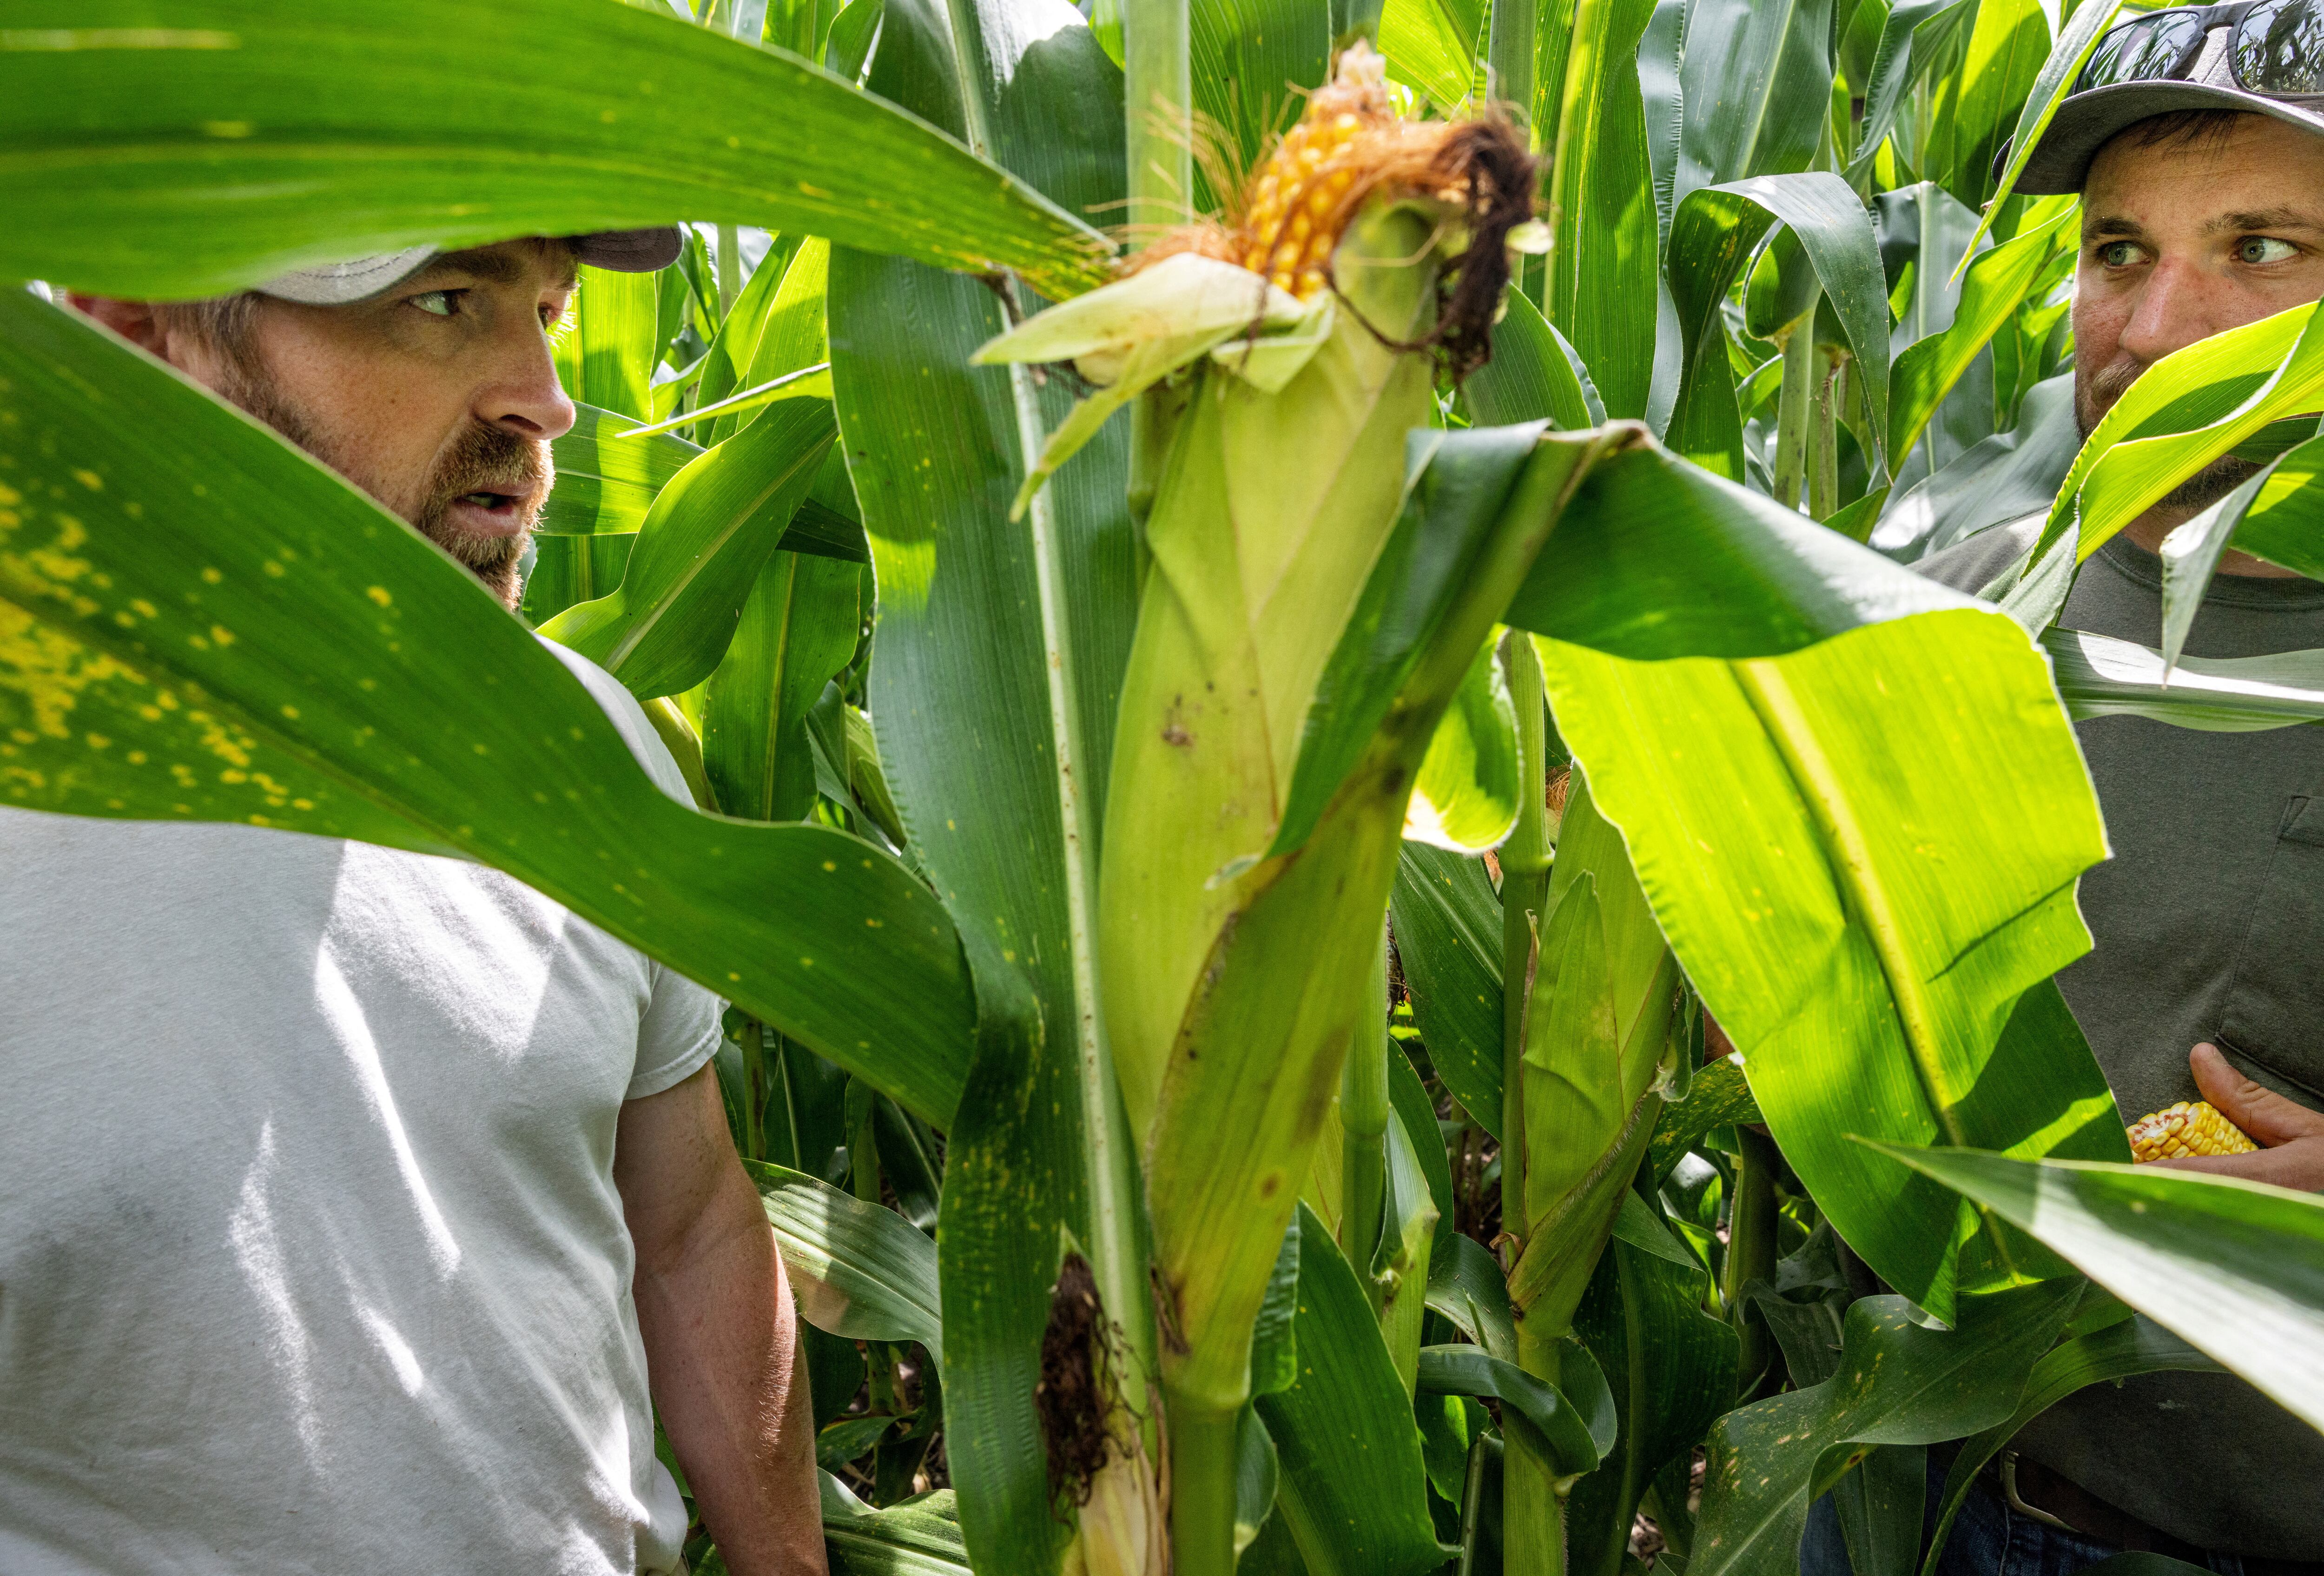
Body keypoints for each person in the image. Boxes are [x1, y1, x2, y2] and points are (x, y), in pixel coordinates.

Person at [0, 232, 826, 1574]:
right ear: (142, 328)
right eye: (444, 303)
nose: (546, 398)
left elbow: (692, 1228)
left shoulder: (588, 751)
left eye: (546, 311)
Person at [1808, 8, 2324, 1573]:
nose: (2156, 328)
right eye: (2117, 251)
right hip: (1893, 1497)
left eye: (2261, 249)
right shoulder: (1942, 623)